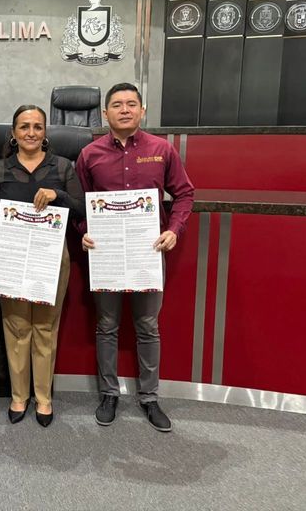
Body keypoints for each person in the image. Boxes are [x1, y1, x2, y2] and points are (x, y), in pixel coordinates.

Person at [76, 82, 194, 432]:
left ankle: (149, 397)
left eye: (131, 104)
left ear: (142, 111)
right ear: (105, 113)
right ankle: (109, 394)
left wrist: (174, 229)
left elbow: (185, 194)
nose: (124, 109)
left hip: (147, 252)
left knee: (147, 326)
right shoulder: (89, 154)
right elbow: (80, 201)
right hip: (107, 254)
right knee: (107, 326)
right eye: (117, 104)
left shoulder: (162, 150)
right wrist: (83, 229)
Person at [0, 105, 85, 427]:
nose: (31, 133)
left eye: (38, 127)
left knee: (45, 328)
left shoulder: (63, 167)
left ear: (45, 133)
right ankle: (18, 397)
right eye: (24, 127)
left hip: (52, 258)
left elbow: (81, 209)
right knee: (16, 328)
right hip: (9, 258)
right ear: (13, 133)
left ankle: (44, 398)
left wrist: (58, 194)